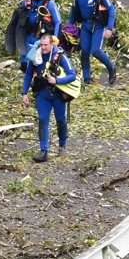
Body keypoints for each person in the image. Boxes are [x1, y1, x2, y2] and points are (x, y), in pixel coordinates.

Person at [21, 33, 77, 162]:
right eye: (42, 44)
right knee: (42, 119)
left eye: (46, 45)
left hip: (58, 94)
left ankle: (62, 145)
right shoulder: (36, 56)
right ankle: (43, 150)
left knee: (60, 119)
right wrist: (24, 93)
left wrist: (57, 80)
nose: (44, 47)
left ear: (52, 44)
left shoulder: (60, 56)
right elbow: (28, 75)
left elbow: (72, 75)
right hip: (43, 93)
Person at [69, 0, 116, 86]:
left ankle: (111, 68)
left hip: (98, 25)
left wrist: (109, 28)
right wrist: (69, 26)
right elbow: (74, 10)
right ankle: (86, 78)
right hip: (85, 25)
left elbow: (111, 10)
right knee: (84, 51)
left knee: (96, 51)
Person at [18, 0, 62, 71]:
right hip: (27, 38)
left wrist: (55, 40)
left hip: (41, 40)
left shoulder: (50, 4)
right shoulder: (26, 2)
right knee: (24, 67)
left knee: (38, 68)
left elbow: (58, 22)